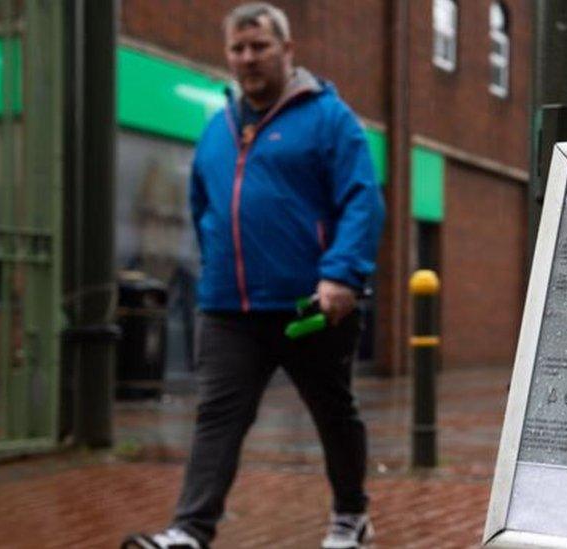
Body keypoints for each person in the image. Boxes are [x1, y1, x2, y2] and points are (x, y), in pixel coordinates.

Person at [123, 3, 385, 548]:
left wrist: (340, 275)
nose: (248, 58)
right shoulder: (216, 128)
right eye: (238, 49)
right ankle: (191, 531)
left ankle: (350, 515)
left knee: (333, 414)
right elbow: (204, 209)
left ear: (287, 51)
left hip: (311, 307)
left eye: (260, 46)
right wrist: (217, 268)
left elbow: (363, 201)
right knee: (217, 417)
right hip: (228, 310)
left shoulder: (330, 119)